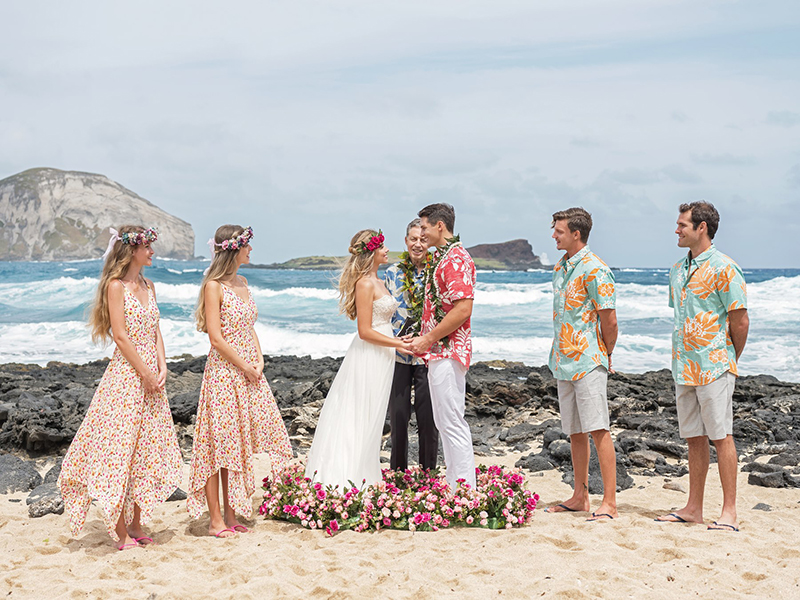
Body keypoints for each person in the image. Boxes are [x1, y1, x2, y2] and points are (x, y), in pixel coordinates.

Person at [58, 226, 182, 551]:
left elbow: (155, 331)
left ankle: (137, 522)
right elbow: (121, 336)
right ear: (132, 251)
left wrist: (162, 366)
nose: (153, 252)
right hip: (127, 378)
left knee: (146, 451)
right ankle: (120, 529)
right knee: (120, 451)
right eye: (148, 247)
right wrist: (144, 371)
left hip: (152, 379)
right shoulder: (116, 287)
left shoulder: (149, 286)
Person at [188, 225, 293, 538]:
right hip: (224, 374)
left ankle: (232, 514)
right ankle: (215, 520)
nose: (251, 251)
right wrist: (244, 364)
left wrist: (259, 361)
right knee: (216, 446)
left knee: (236, 445)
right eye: (247, 246)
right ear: (234, 249)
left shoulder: (244, 283)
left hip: (248, 372)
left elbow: (249, 329)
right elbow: (216, 338)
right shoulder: (214, 287)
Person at [656, 202, 748, 531]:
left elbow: (740, 320)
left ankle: (729, 512)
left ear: (702, 228)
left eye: (682, 225)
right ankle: (693, 507)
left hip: (714, 365)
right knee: (694, 437)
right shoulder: (677, 270)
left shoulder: (726, 268)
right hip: (684, 366)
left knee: (721, 436)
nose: (677, 230)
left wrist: (728, 359)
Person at [305, 229, 411, 489]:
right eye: (382, 246)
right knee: (360, 412)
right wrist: (398, 343)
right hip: (369, 354)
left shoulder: (380, 280)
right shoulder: (364, 283)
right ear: (372, 251)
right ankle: (347, 476)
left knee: (373, 415)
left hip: (383, 352)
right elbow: (364, 331)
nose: (387, 250)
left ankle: (365, 471)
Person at [543, 208, 619, 521]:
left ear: (576, 234)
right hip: (562, 360)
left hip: (588, 360)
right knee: (574, 431)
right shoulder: (561, 267)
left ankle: (610, 503)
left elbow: (609, 319)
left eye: (559, 231)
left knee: (598, 428)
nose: (553, 236)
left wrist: (606, 352)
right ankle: (580, 496)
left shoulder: (595, 269)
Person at [408, 203, 477, 491]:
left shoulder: (454, 260)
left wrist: (428, 338)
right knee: (445, 421)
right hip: (440, 351)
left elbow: (463, 309)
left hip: (448, 351)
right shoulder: (443, 258)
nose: (420, 233)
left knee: (451, 421)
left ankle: (463, 490)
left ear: (439, 226)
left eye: (424, 227)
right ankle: (455, 486)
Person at [384, 218, 438, 472]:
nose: (418, 244)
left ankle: (428, 475)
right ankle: (398, 474)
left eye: (423, 239)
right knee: (398, 416)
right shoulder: (393, 272)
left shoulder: (437, 271)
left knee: (428, 418)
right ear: (406, 241)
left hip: (429, 355)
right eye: (413, 239)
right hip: (398, 355)